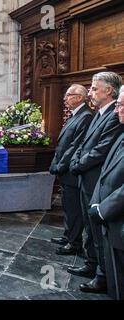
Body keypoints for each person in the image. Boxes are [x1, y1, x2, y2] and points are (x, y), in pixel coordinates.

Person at [68, 72, 124, 293]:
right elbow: (84, 143)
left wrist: (79, 164)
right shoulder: (99, 114)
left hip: (97, 177)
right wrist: (77, 161)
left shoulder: (113, 116)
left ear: (109, 90)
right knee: (90, 229)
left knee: (100, 232)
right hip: (89, 177)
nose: (89, 93)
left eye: (93, 88)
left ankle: (102, 274)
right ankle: (94, 265)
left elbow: (101, 149)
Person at [87, 87, 124, 299]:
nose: (117, 110)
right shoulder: (121, 136)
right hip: (109, 217)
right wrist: (96, 202)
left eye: (120, 105)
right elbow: (106, 172)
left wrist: (103, 209)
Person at [49, 85, 93, 255]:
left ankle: (74, 243)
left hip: (71, 170)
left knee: (74, 208)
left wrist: (61, 165)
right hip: (65, 169)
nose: (65, 98)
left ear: (80, 97)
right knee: (67, 205)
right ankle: (68, 236)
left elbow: (76, 145)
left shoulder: (86, 116)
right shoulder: (76, 115)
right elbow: (64, 143)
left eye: (69, 95)